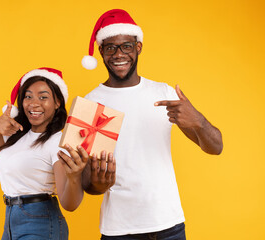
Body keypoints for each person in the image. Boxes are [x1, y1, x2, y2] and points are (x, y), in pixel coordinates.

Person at [80, 9, 223, 240]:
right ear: (101, 52)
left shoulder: (163, 93)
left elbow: (216, 147)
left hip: (170, 225)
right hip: (119, 230)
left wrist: (198, 120)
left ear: (138, 47)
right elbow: (87, 184)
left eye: (126, 46)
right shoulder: (90, 104)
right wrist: (97, 184)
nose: (118, 54)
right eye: (110, 48)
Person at [0, 67, 89, 240]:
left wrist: (74, 177)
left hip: (40, 221)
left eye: (43, 97)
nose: (34, 103)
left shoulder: (58, 143)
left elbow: (69, 204)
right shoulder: (15, 137)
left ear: (57, 102)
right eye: (28, 96)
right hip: (11, 218)